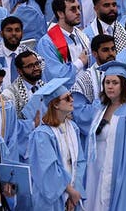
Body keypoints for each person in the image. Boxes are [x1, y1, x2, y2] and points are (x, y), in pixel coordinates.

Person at [84, 61, 126, 210]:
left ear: (123, 85)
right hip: (96, 174)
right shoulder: (100, 109)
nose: (110, 86)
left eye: (115, 82)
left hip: (122, 173)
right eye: (107, 82)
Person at [27, 77, 85, 210]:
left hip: (73, 196)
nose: (72, 100)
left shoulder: (73, 128)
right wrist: (70, 191)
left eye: (71, 96)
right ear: (55, 104)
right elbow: (48, 170)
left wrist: (75, 191)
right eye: (67, 98)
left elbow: (80, 161)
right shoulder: (42, 135)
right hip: (52, 201)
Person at [35, 0, 90, 87]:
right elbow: (55, 76)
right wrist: (79, 63)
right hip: (64, 96)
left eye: (78, 7)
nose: (78, 12)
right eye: (73, 9)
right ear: (60, 13)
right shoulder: (47, 43)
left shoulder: (82, 36)